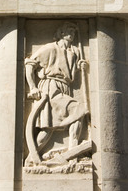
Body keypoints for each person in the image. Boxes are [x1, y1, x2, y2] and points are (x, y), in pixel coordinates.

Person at [24, 22, 88, 164]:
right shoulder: (49, 48)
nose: (72, 33)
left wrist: (79, 67)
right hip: (50, 88)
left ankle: (32, 159)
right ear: (61, 33)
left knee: (49, 128)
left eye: (73, 31)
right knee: (77, 110)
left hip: (64, 87)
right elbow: (29, 64)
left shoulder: (74, 52)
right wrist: (33, 87)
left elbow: (69, 76)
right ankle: (71, 153)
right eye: (68, 30)